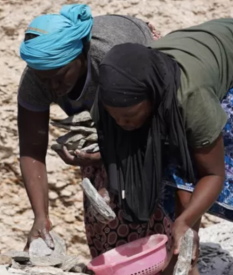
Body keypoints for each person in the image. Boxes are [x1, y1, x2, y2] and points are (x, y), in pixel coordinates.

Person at [95, 19, 233, 274]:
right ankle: (185, 259)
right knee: (174, 150)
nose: (122, 123)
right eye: (115, 117)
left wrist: (184, 221)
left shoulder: (188, 97)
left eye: (129, 116)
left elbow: (213, 173)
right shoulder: (117, 94)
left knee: (227, 154)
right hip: (221, 48)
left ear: (152, 96)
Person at [16, 3, 168, 253]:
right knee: (102, 210)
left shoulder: (113, 59)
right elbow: (31, 150)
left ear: (82, 55)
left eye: (60, 76)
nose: (52, 87)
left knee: (148, 191)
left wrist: (111, 156)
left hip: (142, 111)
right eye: (45, 79)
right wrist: (40, 217)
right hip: (101, 123)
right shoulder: (38, 77)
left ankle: (160, 256)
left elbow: (153, 125)